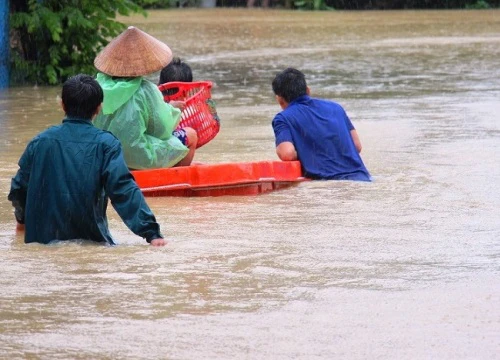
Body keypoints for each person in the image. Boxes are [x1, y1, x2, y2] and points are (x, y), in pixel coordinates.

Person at [7, 74, 166, 246]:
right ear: (98, 109)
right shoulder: (107, 145)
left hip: (42, 249)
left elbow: (19, 188)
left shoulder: (39, 143)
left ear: (62, 105)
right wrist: (152, 233)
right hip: (92, 244)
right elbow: (123, 189)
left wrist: (22, 219)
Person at [93, 26, 197, 170]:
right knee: (191, 135)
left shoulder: (96, 85)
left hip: (105, 154)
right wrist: (172, 109)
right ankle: (173, 181)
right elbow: (162, 130)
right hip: (136, 157)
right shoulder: (147, 90)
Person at [271, 68, 371, 181]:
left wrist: (308, 152)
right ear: (308, 90)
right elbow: (357, 146)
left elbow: (287, 154)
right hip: (363, 179)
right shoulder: (336, 108)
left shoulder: (283, 118)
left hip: (328, 184)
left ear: (280, 99)